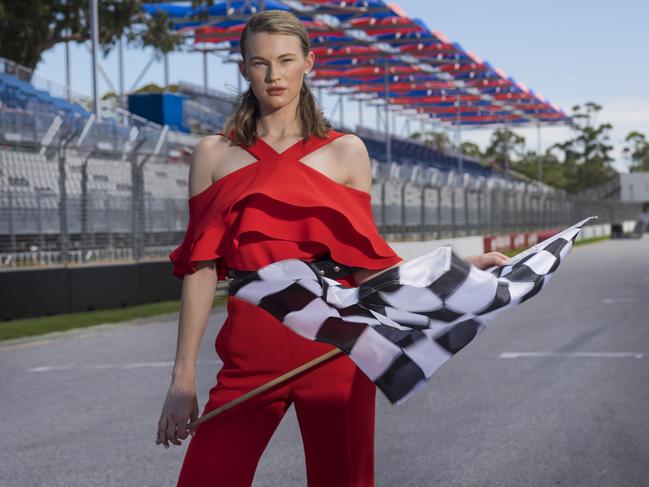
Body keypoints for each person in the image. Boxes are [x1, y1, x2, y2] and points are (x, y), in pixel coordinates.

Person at [156, 10, 508, 487]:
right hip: (248, 354)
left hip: (334, 347)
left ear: (309, 63)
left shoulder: (347, 152)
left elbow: (368, 266)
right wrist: (182, 379)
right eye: (260, 62)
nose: (274, 74)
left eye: (285, 60)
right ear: (243, 69)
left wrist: (459, 271)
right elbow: (199, 269)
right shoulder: (213, 154)